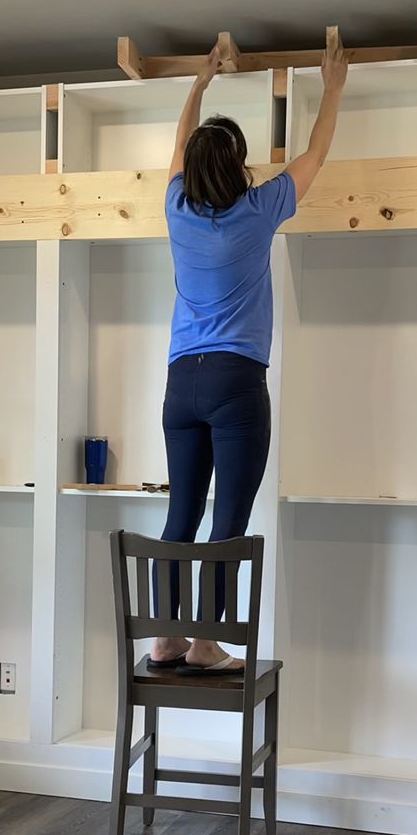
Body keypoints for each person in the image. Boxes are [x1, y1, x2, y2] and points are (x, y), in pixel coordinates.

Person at [149, 40, 348, 674]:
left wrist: (199, 84)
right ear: (236, 167)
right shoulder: (257, 211)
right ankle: (206, 644)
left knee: (182, 514)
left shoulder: (177, 207)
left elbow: (180, 148)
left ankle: (164, 640)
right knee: (227, 520)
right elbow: (314, 156)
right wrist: (333, 85)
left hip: (182, 384)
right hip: (235, 382)